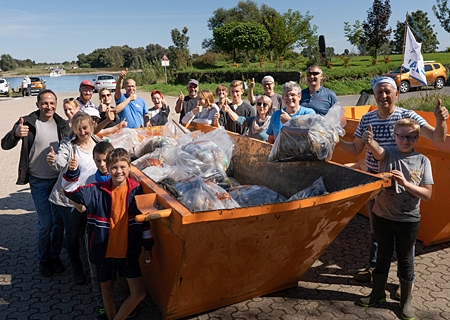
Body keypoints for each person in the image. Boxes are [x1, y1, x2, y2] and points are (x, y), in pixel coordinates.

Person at [337, 76, 448, 284]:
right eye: (379, 92)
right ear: (375, 95)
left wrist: (440, 120)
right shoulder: (367, 119)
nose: (384, 96)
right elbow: (354, 149)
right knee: (376, 228)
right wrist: (335, 139)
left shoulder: (407, 116)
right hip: (374, 181)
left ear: (396, 93)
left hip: (402, 183)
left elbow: (437, 137)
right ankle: (374, 269)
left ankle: (403, 279)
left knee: (404, 235)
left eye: (388, 91)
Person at [62, 148, 154, 320]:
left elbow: (144, 221)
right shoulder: (96, 190)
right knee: (107, 290)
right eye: (114, 167)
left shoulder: (136, 190)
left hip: (129, 252)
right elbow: (69, 191)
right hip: (103, 252)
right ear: (108, 168)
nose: (118, 171)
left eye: (122, 167)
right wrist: (72, 171)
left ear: (129, 167)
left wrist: (148, 246)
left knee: (139, 293)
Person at [358, 119, 433, 320]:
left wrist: (405, 183)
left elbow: (426, 194)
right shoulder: (388, 154)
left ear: (416, 139)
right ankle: (377, 294)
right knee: (382, 254)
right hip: (383, 215)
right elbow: (377, 150)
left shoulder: (423, 161)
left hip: (408, 219)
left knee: (406, 258)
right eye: (401, 136)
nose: (405, 140)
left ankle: (405, 301)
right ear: (394, 137)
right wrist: (368, 141)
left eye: (410, 137)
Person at [1, 89, 71, 277]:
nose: (48, 106)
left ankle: (54, 256)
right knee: (46, 222)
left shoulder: (62, 125)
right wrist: (15, 134)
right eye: (44, 103)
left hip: (57, 180)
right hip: (38, 180)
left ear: (56, 104)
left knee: (58, 222)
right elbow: (5, 144)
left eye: (52, 103)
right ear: (38, 104)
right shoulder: (27, 122)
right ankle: (43, 259)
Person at [47, 111, 97, 285]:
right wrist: (54, 160)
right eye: (78, 129)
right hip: (69, 198)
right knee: (72, 233)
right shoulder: (68, 144)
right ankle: (77, 268)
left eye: (85, 128)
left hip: (90, 197)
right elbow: (59, 161)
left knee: (91, 231)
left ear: (91, 126)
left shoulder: (97, 142)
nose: (82, 132)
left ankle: (95, 266)